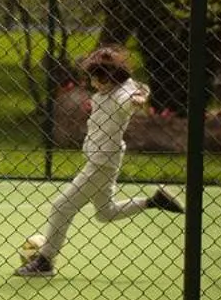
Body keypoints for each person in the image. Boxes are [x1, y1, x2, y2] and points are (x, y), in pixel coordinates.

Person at [15, 44, 183, 278]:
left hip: (101, 163)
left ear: (108, 78)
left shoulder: (121, 95)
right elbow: (138, 87)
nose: (92, 83)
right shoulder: (111, 91)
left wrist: (138, 99)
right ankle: (154, 201)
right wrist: (139, 92)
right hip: (103, 159)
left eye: (95, 78)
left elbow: (131, 98)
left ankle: (45, 261)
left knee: (61, 207)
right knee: (105, 213)